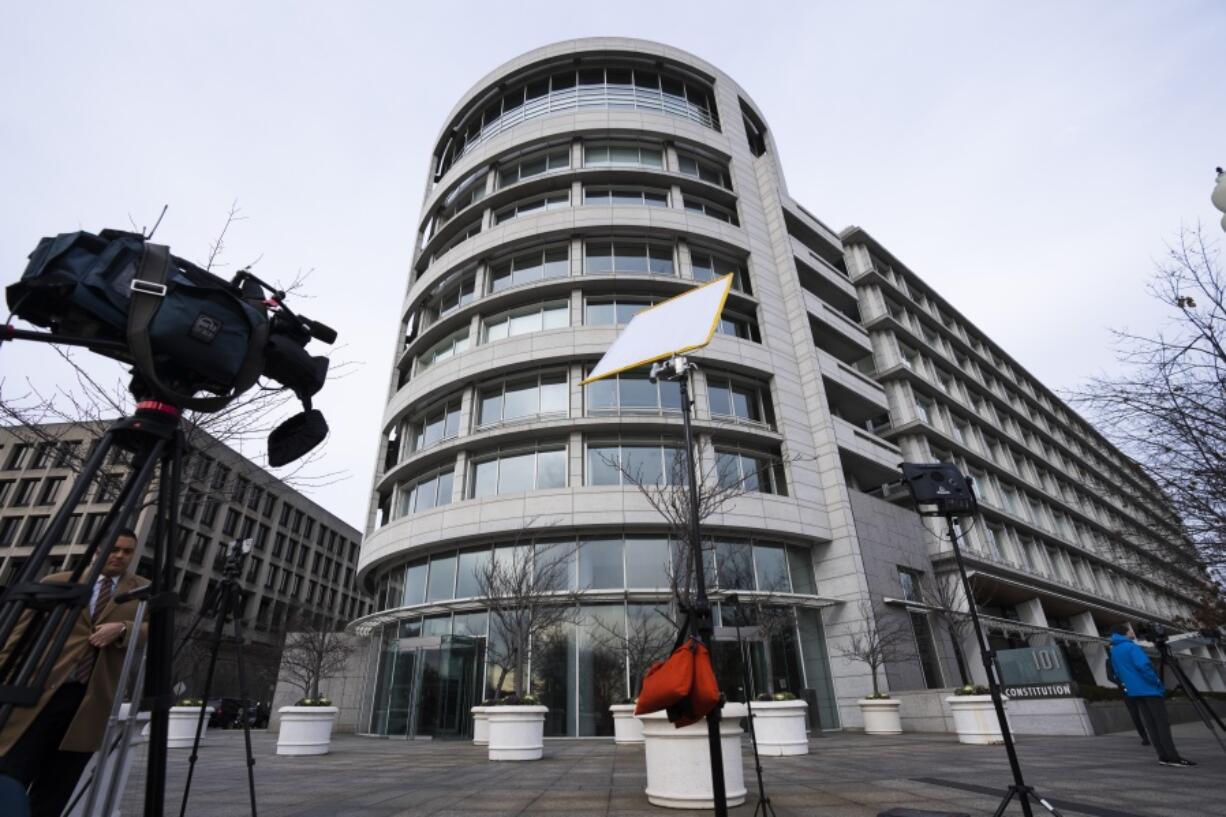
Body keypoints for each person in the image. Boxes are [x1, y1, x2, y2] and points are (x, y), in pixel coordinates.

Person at [0, 528, 150, 816]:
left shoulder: (141, 592)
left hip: (88, 700)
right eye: (114, 549)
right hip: (39, 694)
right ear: (98, 550)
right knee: (12, 776)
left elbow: (158, 628)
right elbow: (16, 638)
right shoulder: (60, 582)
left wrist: (122, 629)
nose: (119, 556)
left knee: (57, 787)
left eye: (127, 551)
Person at [1107, 622, 1195, 768]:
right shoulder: (1131, 647)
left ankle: (1163, 756)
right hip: (1149, 689)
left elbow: (1117, 672)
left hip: (1134, 692)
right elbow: (1144, 666)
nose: (1132, 632)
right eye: (1130, 630)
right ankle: (1173, 757)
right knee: (1161, 723)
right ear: (1124, 632)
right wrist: (1155, 681)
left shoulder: (1115, 650)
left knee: (1151, 725)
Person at [1104, 650, 1149, 746]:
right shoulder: (1109, 661)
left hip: (1138, 687)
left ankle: (1153, 734)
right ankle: (1144, 737)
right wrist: (1121, 683)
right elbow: (1109, 676)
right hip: (1126, 690)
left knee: (1146, 711)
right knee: (1134, 714)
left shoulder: (1127, 657)